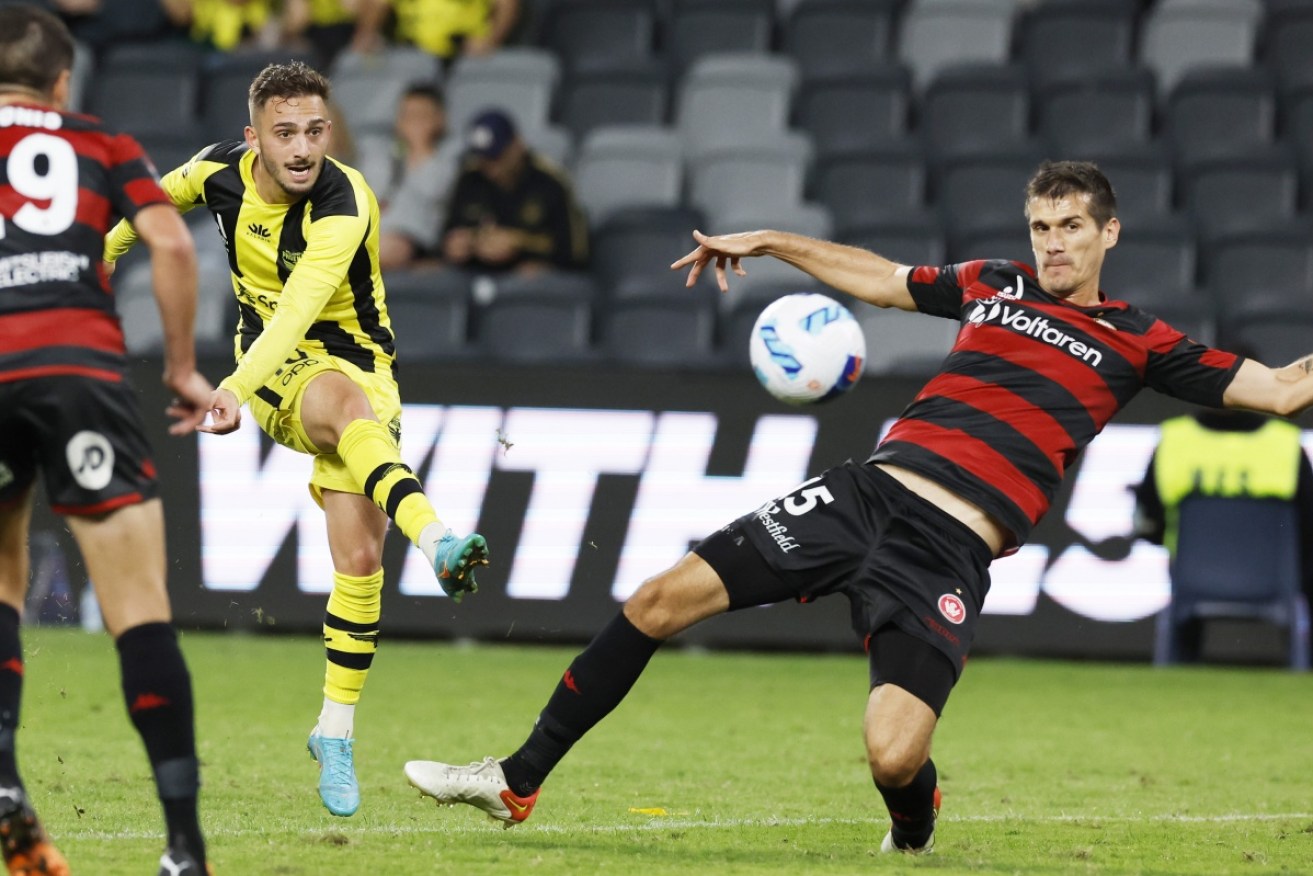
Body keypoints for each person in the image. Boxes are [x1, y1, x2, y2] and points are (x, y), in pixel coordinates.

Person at [402, 160, 1313, 852]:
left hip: (947, 551)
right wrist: (769, 242)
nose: (1051, 244)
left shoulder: (1137, 341)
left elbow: (1276, 392)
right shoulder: (991, 283)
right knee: (654, 601)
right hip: (864, 494)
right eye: (1040, 226)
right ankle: (515, 780)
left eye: (1070, 227)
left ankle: (912, 825)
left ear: (1109, 233)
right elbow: (879, 277)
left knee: (891, 756)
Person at [102, 60, 490, 819]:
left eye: (315, 130)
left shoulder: (347, 204)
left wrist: (227, 390)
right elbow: (150, 201)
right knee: (344, 408)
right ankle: (438, 537)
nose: (304, 147)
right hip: (279, 372)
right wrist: (105, 251)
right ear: (255, 139)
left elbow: (303, 304)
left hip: (356, 365)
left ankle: (334, 731)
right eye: (285, 133)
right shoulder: (216, 170)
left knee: (359, 560)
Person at [0, 5, 213, 873]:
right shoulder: (100, 140)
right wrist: (179, 370)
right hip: (81, 371)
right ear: (61, 81)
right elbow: (170, 244)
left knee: (3, 578)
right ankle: (183, 846)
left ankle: (4, 779)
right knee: (138, 610)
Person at [1133, 358, 1313, 660]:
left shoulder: (1175, 441)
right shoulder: (1285, 445)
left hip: (1191, 577)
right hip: (1278, 579)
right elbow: (1308, 527)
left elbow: (1149, 522)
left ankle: (1182, 661)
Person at [439, 108, 588, 276]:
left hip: (533, 285)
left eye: (497, 158)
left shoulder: (550, 182)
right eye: (483, 159)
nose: (490, 169)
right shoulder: (469, 178)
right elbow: (446, 235)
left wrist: (521, 247)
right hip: (474, 276)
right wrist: (454, 246)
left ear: (517, 145)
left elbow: (576, 251)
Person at [373, 82, 457, 272]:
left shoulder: (449, 159)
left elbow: (434, 191)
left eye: (421, 116)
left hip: (415, 239)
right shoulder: (382, 157)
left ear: (440, 119)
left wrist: (421, 147)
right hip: (377, 232)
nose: (413, 122)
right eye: (407, 115)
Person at [350, 0, 520, 70]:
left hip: (464, 53)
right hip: (411, 54)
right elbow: (377, 4)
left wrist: (491, 39)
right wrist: (367, 33)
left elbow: (507, 4)